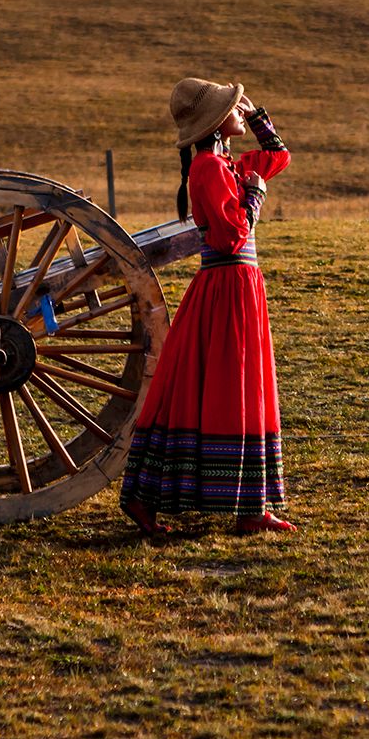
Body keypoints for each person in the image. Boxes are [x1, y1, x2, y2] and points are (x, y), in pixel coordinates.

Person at [118, 77, 296, 536]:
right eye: (232, 108)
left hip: (239, 285)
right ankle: (149, 497)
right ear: (216, 123)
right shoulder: (210, 169)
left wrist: (257, 121)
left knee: (241, 386)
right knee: (225, 385)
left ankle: (250, 506)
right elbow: (233, 235)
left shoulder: (224, 165)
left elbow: (279, 157)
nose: (239, 110)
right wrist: (255, 195)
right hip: (227, 286)